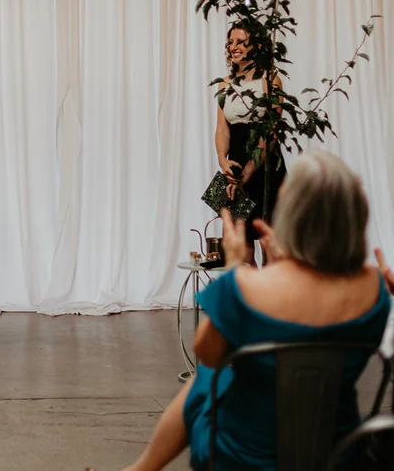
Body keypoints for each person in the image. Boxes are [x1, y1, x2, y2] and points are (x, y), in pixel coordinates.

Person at [124, 150, 391, 471]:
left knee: (208, 374)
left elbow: (207, 353)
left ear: (291, 216)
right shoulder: (375, 289)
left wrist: (236, 269)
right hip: (337, 457)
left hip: (241, 459)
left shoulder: (244, 287)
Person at [216, 25, 287, 255]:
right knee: (241, 248)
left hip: (266, 167)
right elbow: (222, 129)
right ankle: (248, 291)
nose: (233, 47)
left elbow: (272, 131)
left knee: (271, 244)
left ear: (256, 46)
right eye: (231, 42)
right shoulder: (224, 84)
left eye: (240, 41)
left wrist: (250, 169)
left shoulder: (270, 80)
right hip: (235, 169)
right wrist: (223, 162)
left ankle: (271, 291)